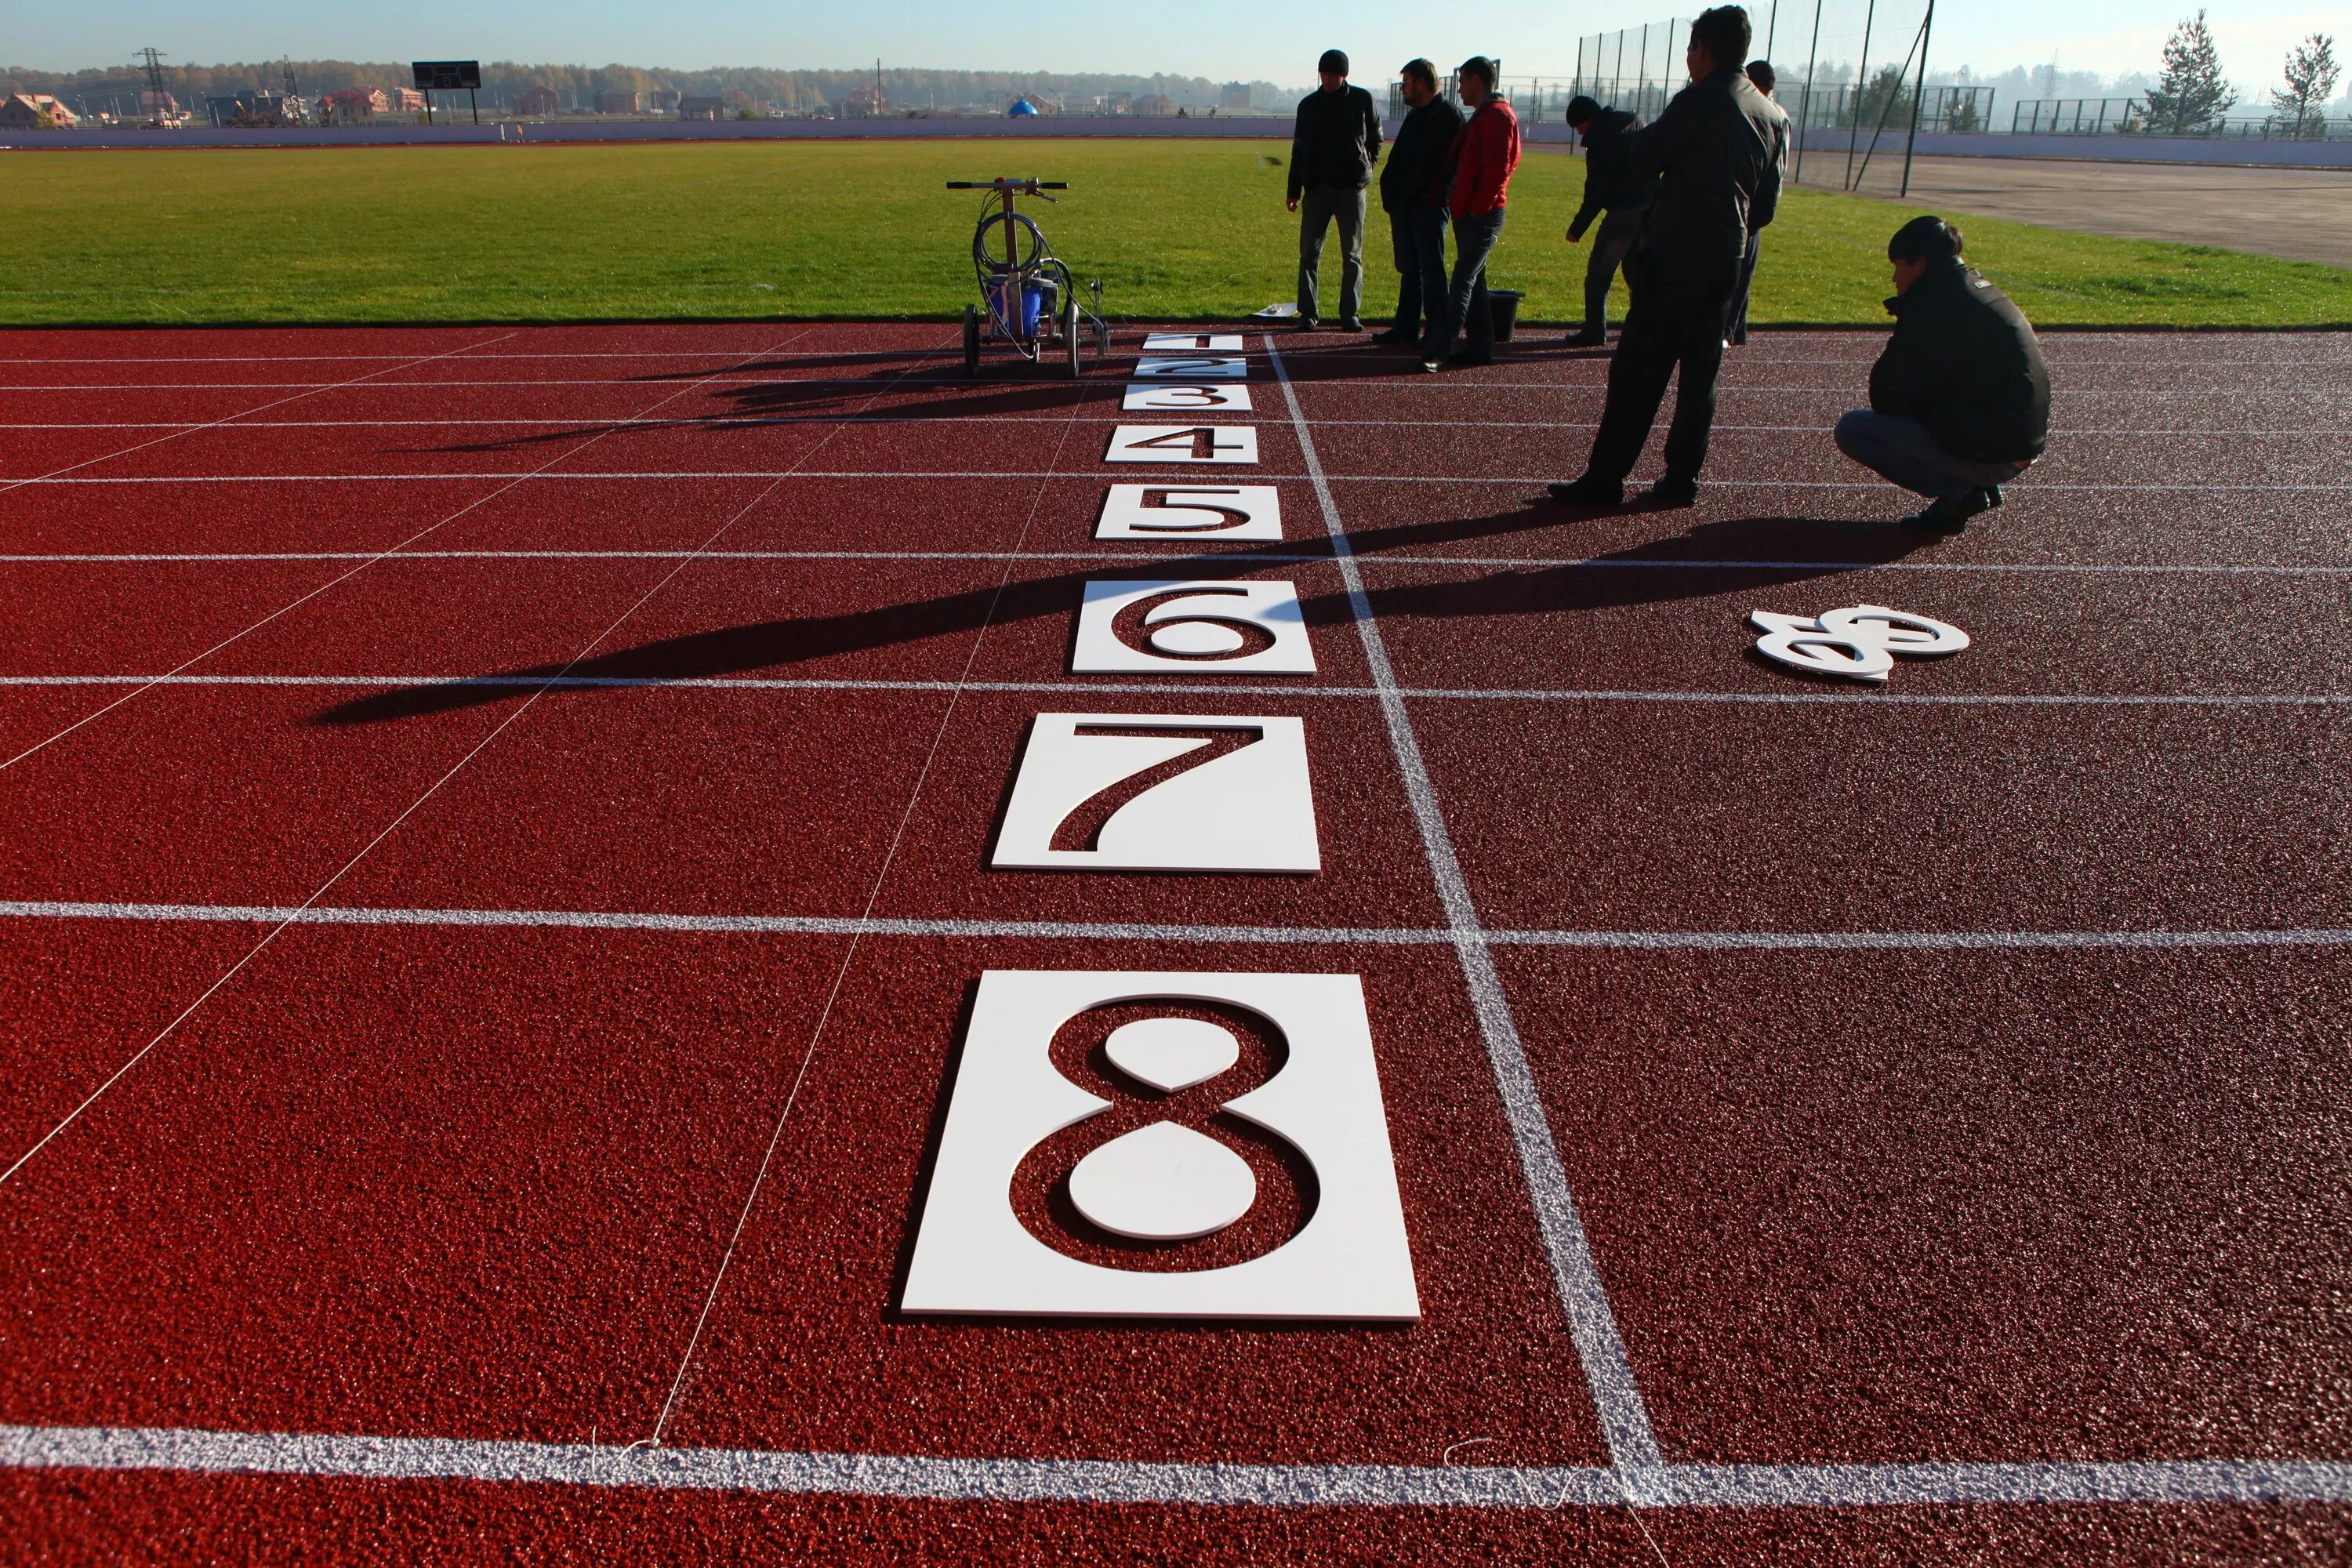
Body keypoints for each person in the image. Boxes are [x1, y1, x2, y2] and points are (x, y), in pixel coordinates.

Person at [1552, 5, 1789, 507]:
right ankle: (1682, 479)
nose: (1688, 58)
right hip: (1727, 259)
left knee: (1638, 372)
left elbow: (1644, 157)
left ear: (1703, 49)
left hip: (1676, 255)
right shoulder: (1772, 115)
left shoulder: (1700, 101)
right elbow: (1765, 207)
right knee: (1700, 376)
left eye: (1690, 48)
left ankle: (1604, 482)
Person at [1834, 216, 2050, 534]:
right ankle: (1969, 486)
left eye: (1899, 265)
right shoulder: (1977, 289)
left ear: (1920, 265)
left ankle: (1960, 491)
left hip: (1997, 449)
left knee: (1853, 429)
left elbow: (1886, 395)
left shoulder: (1934, 306)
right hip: (2018, 441)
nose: (1895, 277)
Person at [1420, 56, 1520, 372]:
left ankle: (1439, 349)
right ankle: (1481, 347)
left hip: (1482, 216)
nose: (1460, 88)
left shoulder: (1497, 117)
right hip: (1470, 213)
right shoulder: (1484, 116)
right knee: (1474, 282)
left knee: (1462, 281)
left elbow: (1498, 171)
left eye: (1463, 81)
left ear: (1477, 80)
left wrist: (1476, 209)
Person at [1287, 49, 1383, 332]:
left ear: (1344, 75)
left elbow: (1376, 138)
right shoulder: (1308, 106)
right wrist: (1293, 190)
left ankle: (1350, 314)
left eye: (1333, 74)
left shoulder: (1362, 100)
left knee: (1352, 255)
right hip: (1316, 190)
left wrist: (1365, 168)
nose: (1327, 79)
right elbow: (1299, 150)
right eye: (1324, 74)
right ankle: (1308, 312)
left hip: (1351, 191)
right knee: (1308, 254)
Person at [1374, 59, 1463, 347]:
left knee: (1432, 270)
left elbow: (1450, 167)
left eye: (1407, 83)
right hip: (1406, 206)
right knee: (1410, 269)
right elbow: (1399, 160)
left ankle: (1437, 330)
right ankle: (1406, 327)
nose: (1403, 89)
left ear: (1422, 83)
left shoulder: (1450, 117)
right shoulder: (1415, 117)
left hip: (1430, 206)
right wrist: (1391, 194)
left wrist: (1428, 196)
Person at [1563, 94, 1653, 347]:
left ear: (1585, 120)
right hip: (1649, 206)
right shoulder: (1633, 121)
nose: (1579, 134)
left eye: (1578, 127)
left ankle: (1594, 330)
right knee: (1635, 271)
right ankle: (1649, 327)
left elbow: (1597, 191)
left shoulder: (1601, 141)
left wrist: (1577, 228)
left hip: (1624, 211)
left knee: (1598, 276)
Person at [1723, 60, 1776, 346]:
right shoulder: (1767, 114)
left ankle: (1728, 331)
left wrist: (1759, 216)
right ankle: (1737, 328)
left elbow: (1774, 172)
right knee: (1742, 270)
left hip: (1748, 207)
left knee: (1739, 271)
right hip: (1747, 206)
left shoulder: (1767, 116)